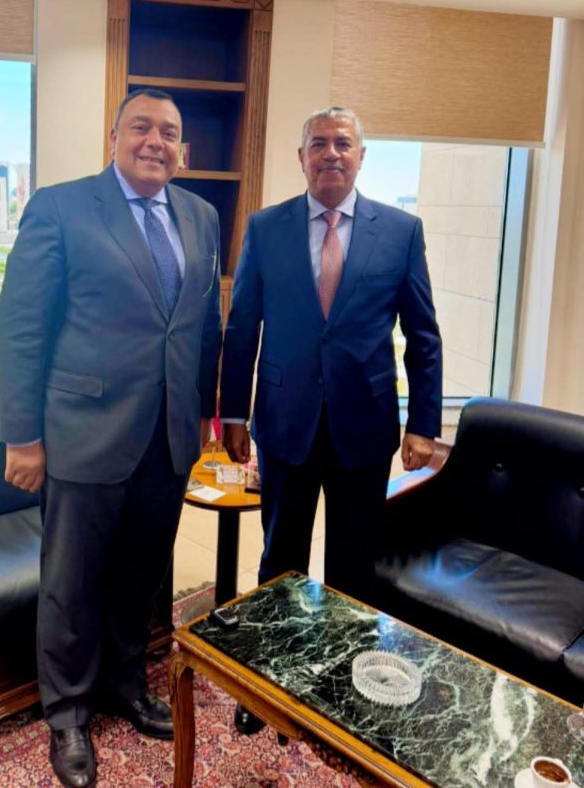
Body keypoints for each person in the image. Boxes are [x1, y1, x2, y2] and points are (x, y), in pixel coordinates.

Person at [0, 89, 221, 787]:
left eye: (170, 132)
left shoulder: (201, 215)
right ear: (114, 136)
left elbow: (203, 324)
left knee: (142, 574)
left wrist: (206, 419)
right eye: (142, 127)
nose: (156, 141)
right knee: (71, 582)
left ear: (182, 148)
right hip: (82, 431)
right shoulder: (62, 208)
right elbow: (21, 325)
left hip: (168, 435)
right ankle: (66, 713)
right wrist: (22, 437)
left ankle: (126, 684)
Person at [220, 107, 442, 735]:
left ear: (361, 156)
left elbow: (422, 335)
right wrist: (232, 413)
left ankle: (346, 681)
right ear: (301, 157)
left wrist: (422, 423)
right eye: (318, 143)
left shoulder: (400, 231)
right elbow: (243, 327)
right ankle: (267, 679)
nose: (331, 153)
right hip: (284, 422)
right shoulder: (265, 228)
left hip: (364, 427)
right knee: (279, 559)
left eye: (343, 143)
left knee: (353, 564)